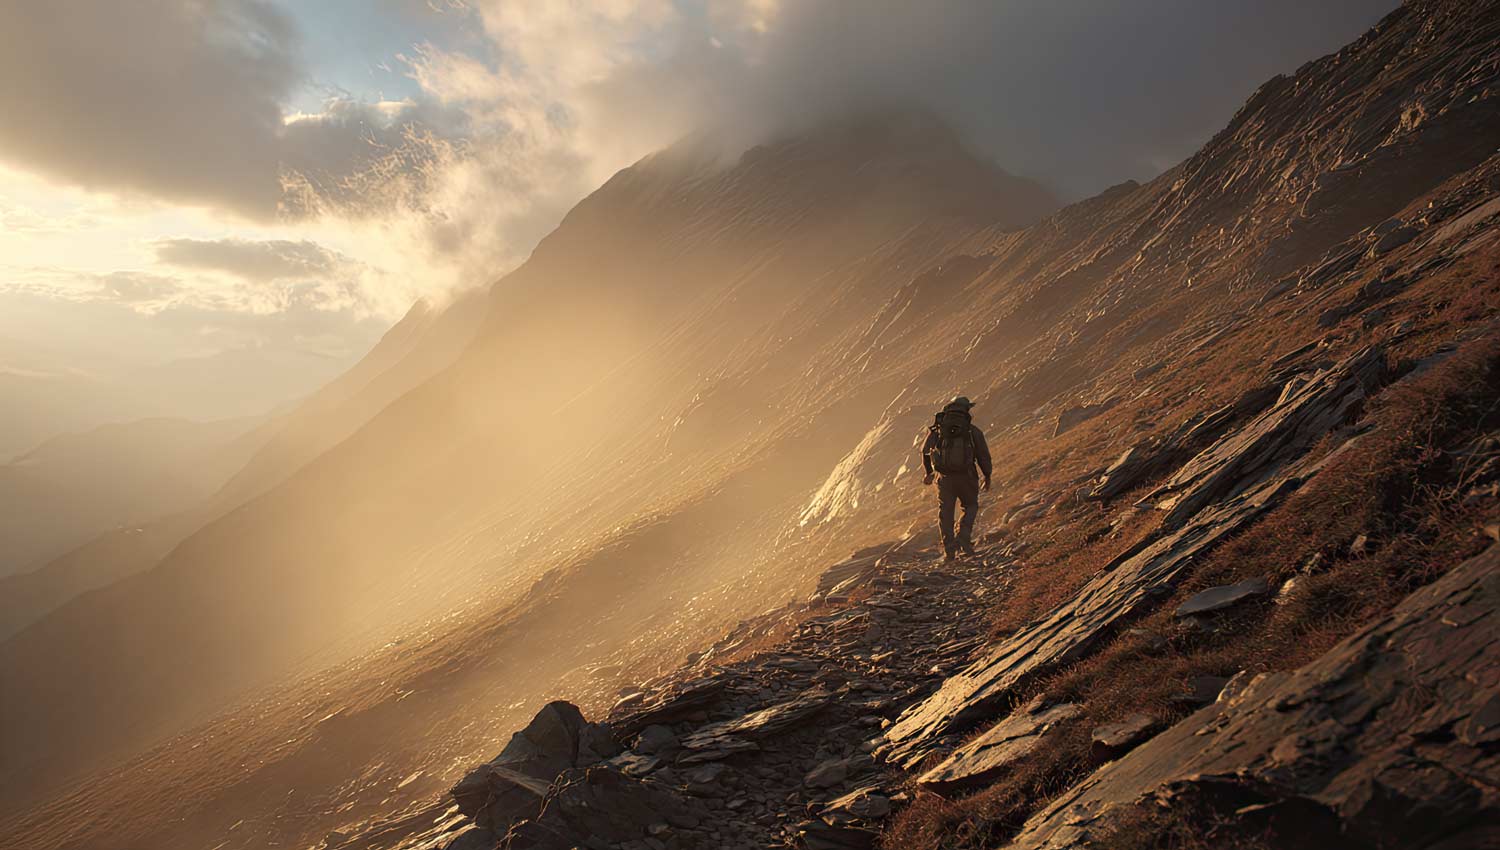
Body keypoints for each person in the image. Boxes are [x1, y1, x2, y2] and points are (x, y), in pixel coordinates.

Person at [921, 396, 992, 561]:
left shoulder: (938, 430)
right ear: (966, 410)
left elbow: (925, 451)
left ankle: (949, 551)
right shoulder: (972, 431)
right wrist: (987, 475)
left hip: (944, 479)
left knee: (945, 513)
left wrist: (928, 472)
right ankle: (964, 538)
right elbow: (983, 455)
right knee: (971, 506)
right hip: (967, 476)